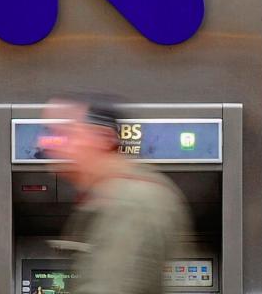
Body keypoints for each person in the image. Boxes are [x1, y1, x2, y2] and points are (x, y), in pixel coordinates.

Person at [46, 95, 191, 294]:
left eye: (66, 134)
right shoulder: (108, 196)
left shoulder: (131, 203)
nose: (49, 144)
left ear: (102, 138)